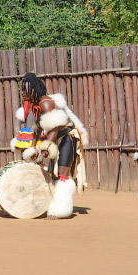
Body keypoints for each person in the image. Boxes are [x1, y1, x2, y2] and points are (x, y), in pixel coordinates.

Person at [16, 72, 89, 219]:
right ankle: (52, 204)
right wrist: (34, 148)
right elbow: (36, 130)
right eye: (22, 89)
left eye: (26, 89)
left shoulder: (46, 103)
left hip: (68, 137)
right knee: (52, 172)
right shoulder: (35, 107)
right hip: (55, 139)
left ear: (34, 89)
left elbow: (55, 127)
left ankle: (61, 210)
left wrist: (47, 147)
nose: (23, 93)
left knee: (62, 173)